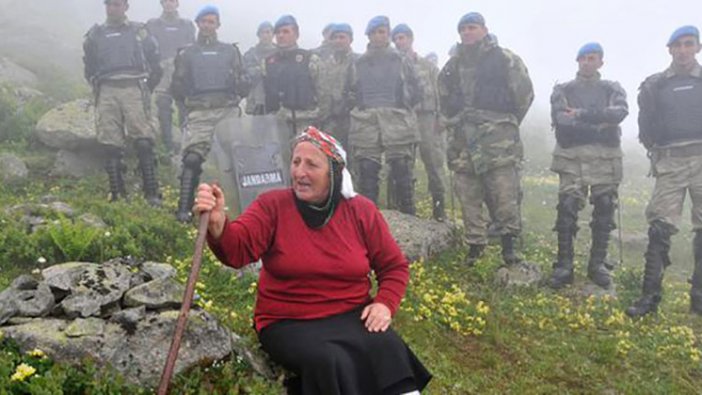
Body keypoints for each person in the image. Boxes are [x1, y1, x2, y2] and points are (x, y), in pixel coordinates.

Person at [194, 127, 432, 395]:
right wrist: (219, 225)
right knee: (330, 360)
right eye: (296, 162)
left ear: (333, 173)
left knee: (386, 346)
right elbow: (238, 250)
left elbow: (393, 266)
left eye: (311, 165)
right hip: (287, 320)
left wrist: (384, 304)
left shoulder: (361, 211)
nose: (299, 172)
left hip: (351, 314)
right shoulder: (272, 206)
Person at [438, 12, 534, 266]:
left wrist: (504, 124)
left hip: (498, 141)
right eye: (463, 29)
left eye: (472, 27)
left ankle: (509, 248)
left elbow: (524, 95)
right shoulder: (452, 66)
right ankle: (475, 247)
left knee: (504, 194)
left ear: (484, 29)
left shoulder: (506, 59)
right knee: (467, 194)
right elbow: (443, 100)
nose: (467, 33)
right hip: (462, 142)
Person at [627, 26, 702, 318]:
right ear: (669, 49)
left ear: (697, 47)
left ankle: (699, 298)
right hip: (670, 161)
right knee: (659, 228)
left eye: (689, 44)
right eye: (677, 45)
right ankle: (649, 297)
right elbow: (645, 124)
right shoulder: (655, 85)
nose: (683, 50)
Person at [547, 43, 629, 290]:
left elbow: (619, 113)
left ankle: (597, 264)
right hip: (572, 156)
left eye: (591, 58)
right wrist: (599, 124)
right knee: (567, 208)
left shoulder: (612, 88)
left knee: (604, 209)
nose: (586, 62)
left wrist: (581, 114)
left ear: (601, 62)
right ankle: (564, 265)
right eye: (582, 58)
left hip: (606, 156)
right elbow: (561, 119)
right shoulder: (563, 90)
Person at [170, 5, 248, 222]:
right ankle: (184, 210)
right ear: (197, 24)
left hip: (227, 110)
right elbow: (177, 86)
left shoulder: (230, 51)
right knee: (192, 159)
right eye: (203, 21)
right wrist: (187, 109)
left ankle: (242, 208)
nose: (207, 25)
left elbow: (242, 82)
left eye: (211, 21)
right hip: (200, 111)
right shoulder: (186, 53)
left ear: (218, 25)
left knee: (236, 158)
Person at [83, 0, 163, 206]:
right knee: (110, 143)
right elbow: (89, 65)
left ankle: (152, 193)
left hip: (134, 86)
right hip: (107, 88)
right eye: (109, 4)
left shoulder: (139, 31)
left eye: (117, 4)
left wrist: (146, 87)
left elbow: (155, 61)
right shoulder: (95, 34)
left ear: (126, 7)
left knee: (144, 140)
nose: (113, 8)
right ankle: (117, 194)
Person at [346, 16, 421, 215]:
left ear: (388, 34)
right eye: (375, 32)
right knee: (367, 171)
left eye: (383, 32)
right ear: (368, 36)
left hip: (397, 120)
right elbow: (351, 91)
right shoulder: (358, 62)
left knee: (401, 170)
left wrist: (402, 105)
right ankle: (368, 218)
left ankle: (408, 215)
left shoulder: (401, 59)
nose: (379, 36)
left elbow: (416, 88)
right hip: (366, 121)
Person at [392, 23, 447, 221]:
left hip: (427, 118)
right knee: (401, 163)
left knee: (433, 162)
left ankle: (439, 208)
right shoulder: (392, 64)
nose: (400, 41)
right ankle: (403, 207)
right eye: (396, 38)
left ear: (411, 39)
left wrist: (441, 118)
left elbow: (439, 92)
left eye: (403, 37)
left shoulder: (428, 65)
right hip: (402, 118)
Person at [146, 0, 195, 153]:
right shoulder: (152, 25)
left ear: (177, 3)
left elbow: (193, 48)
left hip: (181, 69)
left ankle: (187, 144)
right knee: (163, 107)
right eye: (165, 1)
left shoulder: (186, 25)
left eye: (172, 0)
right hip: (160, 69)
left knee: (184, 107)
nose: (169, 3)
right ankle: (168, 146)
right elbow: (147, 50)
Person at [263, 15, 321, 137]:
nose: (281, 35)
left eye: (286, 31)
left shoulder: (310, 59)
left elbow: (324, 93)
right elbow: (264, 92)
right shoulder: (268, 62)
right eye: (278, 32)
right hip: (276, 123)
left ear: (296, 34)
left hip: (304, 123)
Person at [318, 23, 358, 150]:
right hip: (329, 123)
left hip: (354, 122)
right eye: (334, 38)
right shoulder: (325, 64)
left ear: (350, 39)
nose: (338, 41)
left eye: (342, 37)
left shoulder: (359, 62)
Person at [243, 21, 276, 115]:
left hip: (277, 103)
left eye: (268, 32)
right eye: (262, 32)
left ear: (273, 34)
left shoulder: (281, 53)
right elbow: (246, 74)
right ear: (258, 35)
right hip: (256, 103)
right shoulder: (251, 54)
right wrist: (263, 69)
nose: (265, 35)